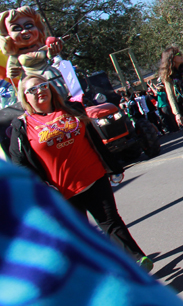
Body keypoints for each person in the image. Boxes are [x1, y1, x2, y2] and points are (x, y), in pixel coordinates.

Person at [8, 74, 153, 272]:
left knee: (111, 222)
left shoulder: (71, 109)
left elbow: (94, 140)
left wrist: (112, 167)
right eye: (32, 89)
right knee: (81, 235)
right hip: (62, 192)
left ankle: (137, 260)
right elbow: (19, 163)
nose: (39, 91)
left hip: (93, 177)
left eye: (42, 85)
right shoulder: (22, 126)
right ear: (25, 97)